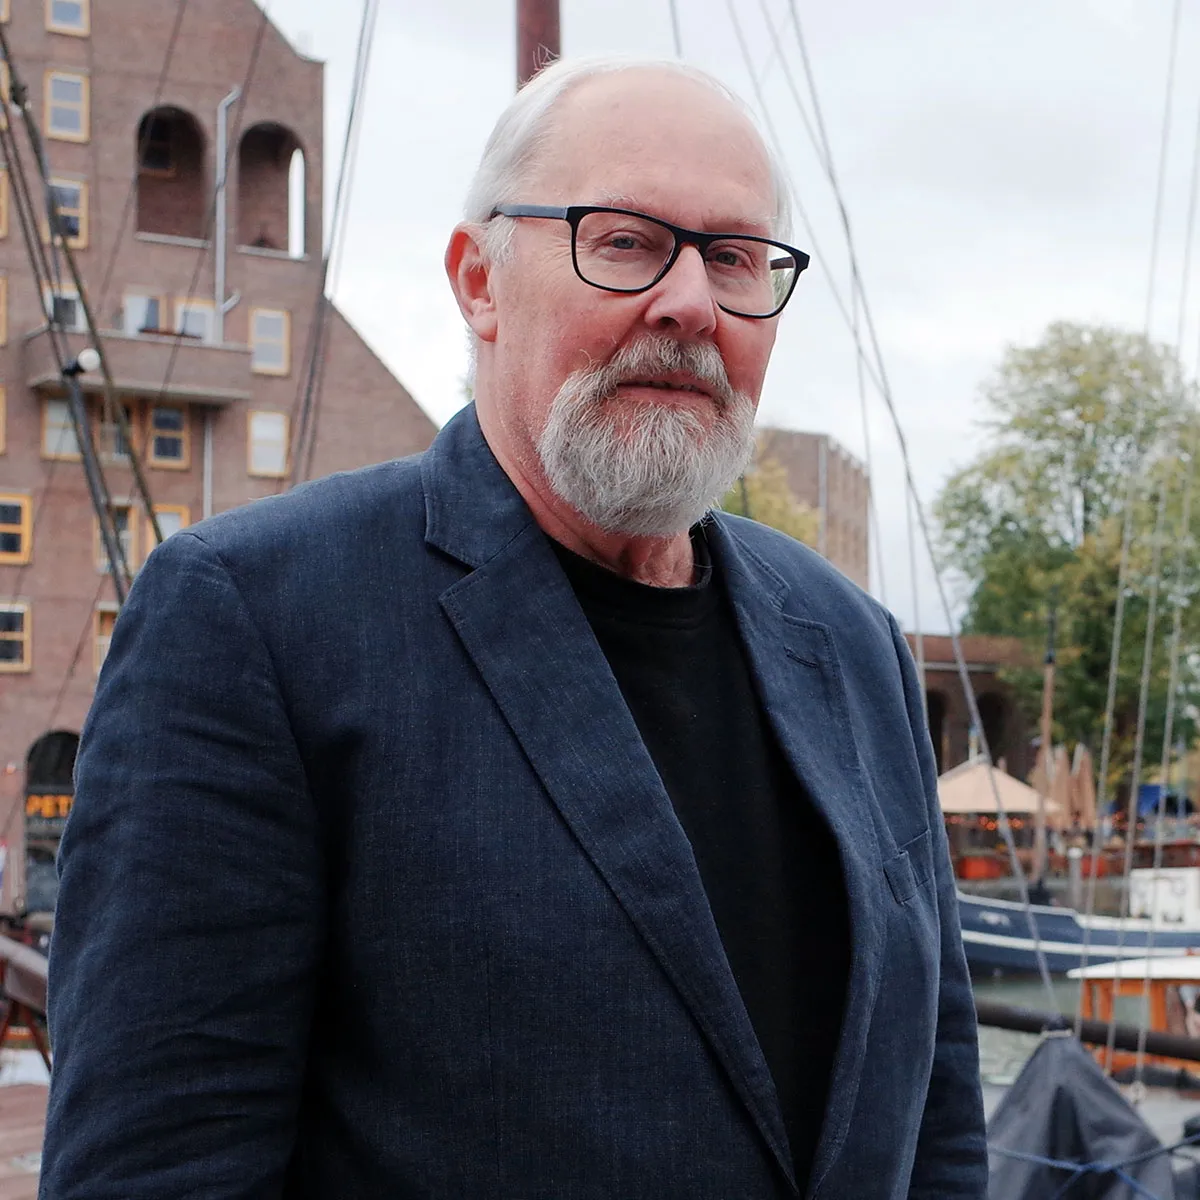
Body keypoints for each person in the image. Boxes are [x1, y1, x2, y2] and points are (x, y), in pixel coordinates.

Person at [41, 57, 986, 1199]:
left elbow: (936, 1119)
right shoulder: (255, 621)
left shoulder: (854, 645)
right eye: (626, 239)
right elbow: (160, 1168)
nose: (691, 302)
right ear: (479, 281)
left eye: (735, 256)